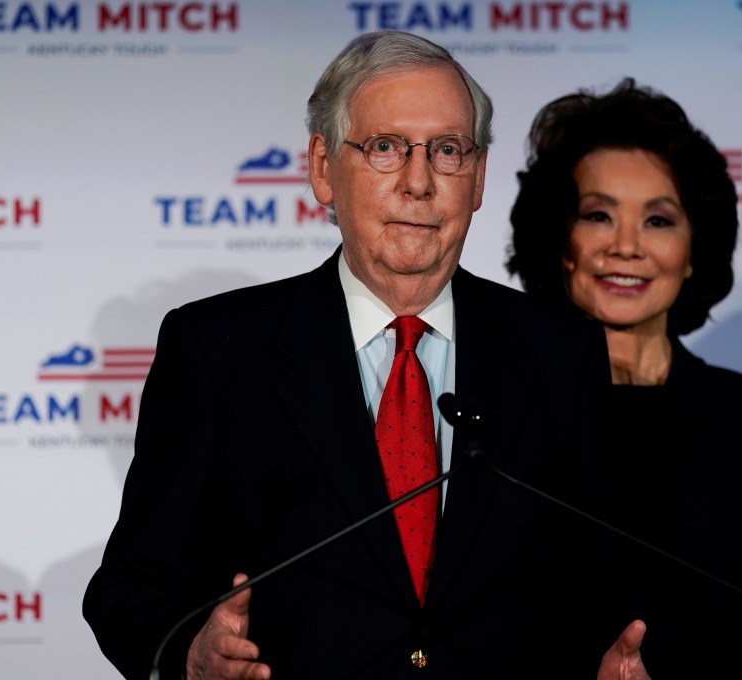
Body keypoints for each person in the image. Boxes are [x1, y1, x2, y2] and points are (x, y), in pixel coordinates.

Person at [84, 32, 649, 680]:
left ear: (479, 176)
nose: (419, 182)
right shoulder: (218, 352)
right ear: (323, 167)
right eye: (385, 148)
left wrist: (615, 654)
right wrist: (190, 652)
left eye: (447, 151)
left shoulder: (559, 354)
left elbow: (608, 579)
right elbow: (131, 586)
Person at [507, 79, 742, 679]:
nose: (626, 247)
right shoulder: (496, 414)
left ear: (694, 249)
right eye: (598, 215)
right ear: (560, 243)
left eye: (658, 220)